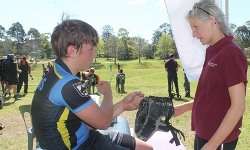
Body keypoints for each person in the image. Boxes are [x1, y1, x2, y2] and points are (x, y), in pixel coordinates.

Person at [31, 19, 153, 150]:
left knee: (146, 148)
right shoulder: (67, 85)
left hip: (85, 136)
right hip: (79, 146)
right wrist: (107, 93)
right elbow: (104, 123)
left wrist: (124, 104)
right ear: (72, 50)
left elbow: (92, 121)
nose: (94, 55)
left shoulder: (59, 72)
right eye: (91, 49)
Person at [174, 1, 248, 150]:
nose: (194, 34)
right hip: (205, 134)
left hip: (217, 139)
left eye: (195, 27)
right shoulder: (213, 51)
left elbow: (238, 106)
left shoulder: (230, 53)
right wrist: (186, 107)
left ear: (213, 20)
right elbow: (213, 96)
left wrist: (211, 145)